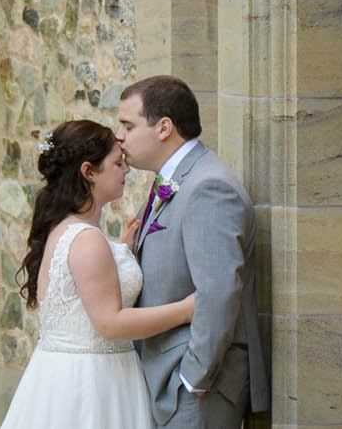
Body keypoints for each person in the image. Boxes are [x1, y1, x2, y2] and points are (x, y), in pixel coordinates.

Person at [0, 119, 197, 429]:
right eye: (118, 163)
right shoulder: (87, 239)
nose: (126, 170)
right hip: (92, 382)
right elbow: (110, 324)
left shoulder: (67, 228)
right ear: (88, 171)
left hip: (61, 374)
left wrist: (122, 253)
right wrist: (186, 309)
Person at [115, 75, 269, 429]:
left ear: (164, 128)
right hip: (164, 379)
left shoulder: (208, 186)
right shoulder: (174, 180)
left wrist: (193, 378)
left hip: (193, 391)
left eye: (128, 125)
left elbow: (218, 291)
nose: (119, 136)